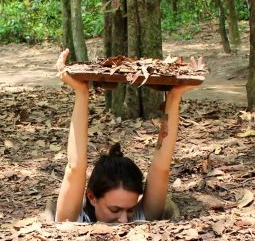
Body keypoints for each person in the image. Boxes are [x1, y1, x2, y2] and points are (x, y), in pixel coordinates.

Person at [54, 49, 196, 223]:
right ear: (92, 197)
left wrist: (174, 97)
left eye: (129, 210)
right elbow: (75, 167)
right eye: (114, 209)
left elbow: (161, 167)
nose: (123, 220)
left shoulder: (141, 216)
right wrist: (81, 92)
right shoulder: (72, 219)